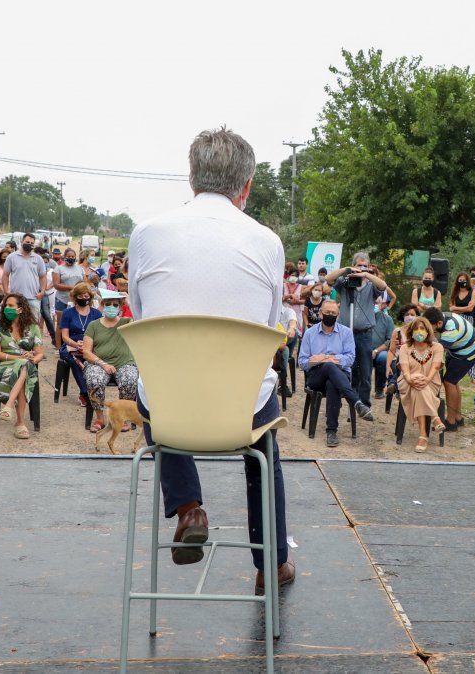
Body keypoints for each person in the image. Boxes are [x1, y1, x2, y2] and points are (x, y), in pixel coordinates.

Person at [126, 126, 293, 591]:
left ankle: (188, 507)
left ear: (192, 179)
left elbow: (142, 318)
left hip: (171, 410)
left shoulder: (146, 233)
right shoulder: (268, 242)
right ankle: (272, 565)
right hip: (241, 409)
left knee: (158, 392)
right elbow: (266, 322)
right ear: (246, 186)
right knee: (265, 449)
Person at [298, 300, 375, 447]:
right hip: (315, 376)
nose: (330, 315)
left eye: (333, 313)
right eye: (327, 313)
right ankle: (356, 402)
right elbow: (302, 362)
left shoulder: (346, 333)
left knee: (332, 382)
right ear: (320, 313)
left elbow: (350, 359)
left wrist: (323, 358)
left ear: (338, 315)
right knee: (329, 367)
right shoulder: (309, 333)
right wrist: (324, 361)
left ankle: (331, 431)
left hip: (340, 377)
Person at [325, 251, 389, 411]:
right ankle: (346, 399)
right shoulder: (345, 282)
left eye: (364, 266)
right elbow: (328, 279)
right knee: (344, 366)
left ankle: (364, 404)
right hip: (345, 332)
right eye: (358, 265)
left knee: (365, 369)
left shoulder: (371, 286)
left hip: (365, 333)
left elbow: (383, 286)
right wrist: (347, 270)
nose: (361, 268)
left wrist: (367, 274)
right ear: (354, 265)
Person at [0, 293, 44, 440]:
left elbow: (39, 354)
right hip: (1, 367)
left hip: (25, 366)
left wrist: (32, 359)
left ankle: (9, 408)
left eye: (11, 306)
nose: (7, 308)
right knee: (23, 366)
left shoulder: (32, 328)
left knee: (24, 366)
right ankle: (20, 423)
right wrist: (19, 358)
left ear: (21, 309)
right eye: (6, 305)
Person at [81, 289, 137, 433]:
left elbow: (141, 320)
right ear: (103, 305)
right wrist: (103, 364)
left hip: (124, 362)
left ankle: (122, 417)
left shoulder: (126, 322)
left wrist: (129, 303)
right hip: (100, 363)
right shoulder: (94, 325)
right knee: (94, 379)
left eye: (115, 305)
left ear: (120, 307)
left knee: (130, 379)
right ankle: (100, 418)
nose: (111, 307)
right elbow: (86, 351)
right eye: (108, 304)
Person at [421, 307, 475, 429]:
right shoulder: (440, 317)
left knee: (449, 382)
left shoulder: (450, 329)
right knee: (453, 382)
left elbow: (436, 352)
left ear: (439, 323)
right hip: (458, 348)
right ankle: (458, 418)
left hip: (469, 352)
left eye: (430, 327)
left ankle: (451, 422)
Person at [397, 315, 447, 452]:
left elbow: (436, 367)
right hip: (407, 383)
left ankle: (423, 435)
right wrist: (410, 379)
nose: (419, 331)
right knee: (417, 381)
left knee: (419, 386)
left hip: (431, 383)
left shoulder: (437, 347)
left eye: (422, 328)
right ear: (411, 332)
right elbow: (405, 369)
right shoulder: (405, 348)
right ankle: (435, 418)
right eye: (416, 328)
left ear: (428, 331)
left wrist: (427, 379)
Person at [58, 282, 99, 406]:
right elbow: (64, 336)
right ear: (75, 297)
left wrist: (88, 346)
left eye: (86, 296)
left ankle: (93, 390)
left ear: (90, 297)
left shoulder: (96, 314)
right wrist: (76, 345)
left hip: (91, 345)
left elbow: (99, 334)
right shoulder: (67, 313)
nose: (83, 299)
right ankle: (85, 392)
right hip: (71, 345)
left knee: (93, 359)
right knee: (75, 359)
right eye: (80, 296)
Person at [2, 233, 47, 324]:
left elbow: (42, 277)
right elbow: (5, 275)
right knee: (14, 323)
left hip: (33, 298)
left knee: (33, 325)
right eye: (27, 242)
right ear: (22, 241)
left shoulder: (38, 259)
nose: (29, 244)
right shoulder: (12, 257)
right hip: (16, 299)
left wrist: (42, 292)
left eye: (31, 243)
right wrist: (6, 291)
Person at [383, 304, 420, 396]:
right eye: (407, 314)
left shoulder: (420, 331)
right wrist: (387, 366)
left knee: (408, 364)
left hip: (414, 360)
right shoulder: (397, 332)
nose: (409, 317)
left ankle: (394, 384)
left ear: (417, 317)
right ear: (402, 316)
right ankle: (399, 389)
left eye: (412, 314)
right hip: (397, 360)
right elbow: (391, 351)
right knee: (401, 362)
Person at [52, 248, 84, 344]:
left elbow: (84, 282)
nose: (71, 258)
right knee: (60, 324)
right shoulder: (59, 268)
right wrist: (71, 288)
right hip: (62, 299)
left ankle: (71, 344)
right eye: (69, 256)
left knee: (75, 323)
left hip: (76, 300)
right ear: (64, 257)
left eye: (73, 257)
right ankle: (58, 346)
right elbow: (56, 285)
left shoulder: (79, 268)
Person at [368, 295, 395, 398]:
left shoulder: (388, 320)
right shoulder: (361, 318)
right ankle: (361, 388)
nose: (374, 305)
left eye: (376, 303)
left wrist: (375, 350)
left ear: (383, 305)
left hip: (380, 351)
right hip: (364, 349)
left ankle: (379, 389)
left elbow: (390, 340)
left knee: (384, 357)